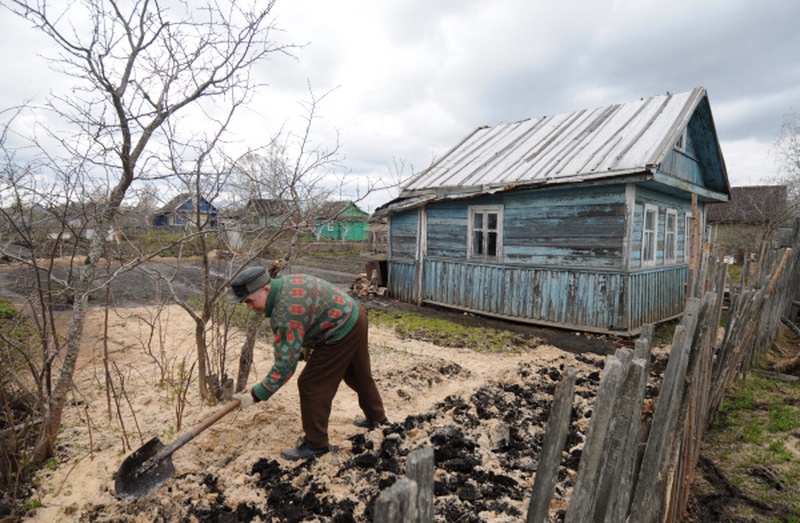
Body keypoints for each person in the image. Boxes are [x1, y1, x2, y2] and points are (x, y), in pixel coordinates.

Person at [230, 266, 388, 460]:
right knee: (358, 374)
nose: (249, 308)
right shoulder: (285, 285)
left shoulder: (284, 313)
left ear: (265, 290)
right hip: (354, 315)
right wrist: (303, 346)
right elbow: (310, 311)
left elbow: (285, 366)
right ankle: (378, 419)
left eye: (249, 301)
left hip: (339, 330)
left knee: (311, 384)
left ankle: (315, 445)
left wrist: (256, 394)